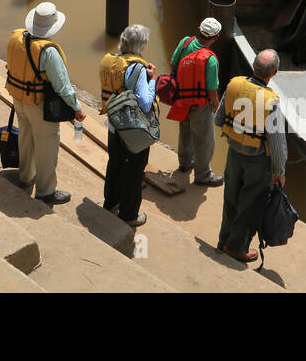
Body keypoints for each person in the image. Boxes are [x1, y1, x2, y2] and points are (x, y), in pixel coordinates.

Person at [5, 2, 84, 206]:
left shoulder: (17, 37)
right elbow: (63, 86)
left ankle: (25, 177)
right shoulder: (49, 52)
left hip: (18, 98)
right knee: (47, 147)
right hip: (39, 105)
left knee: (25, 136)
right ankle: (46, 191)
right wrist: (77, 108)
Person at [214, 49, 287, 263]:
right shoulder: (271, 101)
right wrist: (279, 172)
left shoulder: (234, 85)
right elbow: (278, 143)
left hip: (233, 154)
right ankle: (235, 248)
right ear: (274, 73)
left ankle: (223, 240)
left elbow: (219, 119)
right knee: (249, 205)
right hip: (256, 161)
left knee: (230, 198)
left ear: (253, 66)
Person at [100, 24, 158, 227]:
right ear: (140, 45)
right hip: (132, 131)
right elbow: (144, 103)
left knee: (114, 164)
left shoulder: (109, 60)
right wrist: (152, 81)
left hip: (113, 126)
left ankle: (111, 202)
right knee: (134, 171)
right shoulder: (138, 68)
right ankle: (129, 214)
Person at [168, 18, 224, 187]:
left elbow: (173, 63)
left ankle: (185, 164)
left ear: (199, 28)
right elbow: (212, 89)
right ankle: (203, 175)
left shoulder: (185, 42)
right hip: (200, 105)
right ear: (215, 38)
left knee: (185, 132)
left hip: (181, 98)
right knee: (204, 140)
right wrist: (217, 108)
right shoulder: (211, 60)